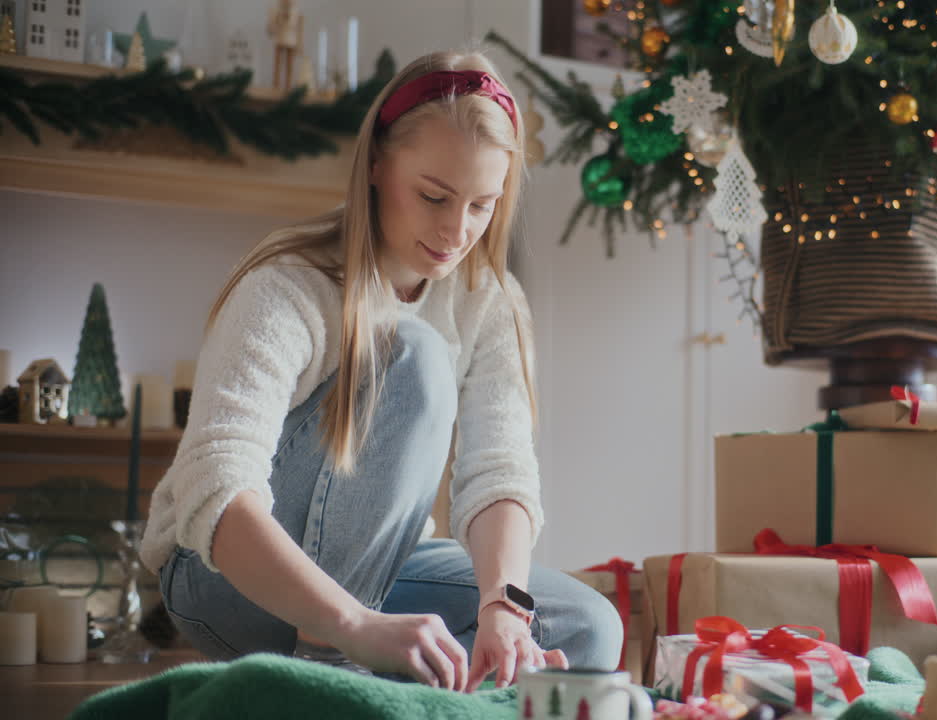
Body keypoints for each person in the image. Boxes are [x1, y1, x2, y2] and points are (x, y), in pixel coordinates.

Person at [139, 48, 623, 691]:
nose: (456, 231)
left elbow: (499, 471)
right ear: (375, 164)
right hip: (220, 579)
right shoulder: (287, 285)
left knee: (587, 628)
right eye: (433, 196)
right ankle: (337, 666)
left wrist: (504, 609)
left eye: (481, 205)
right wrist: (352, 623)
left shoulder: (492, 302)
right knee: (413, 354)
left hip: (384, 568)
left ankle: (373, 675)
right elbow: (216, 486)